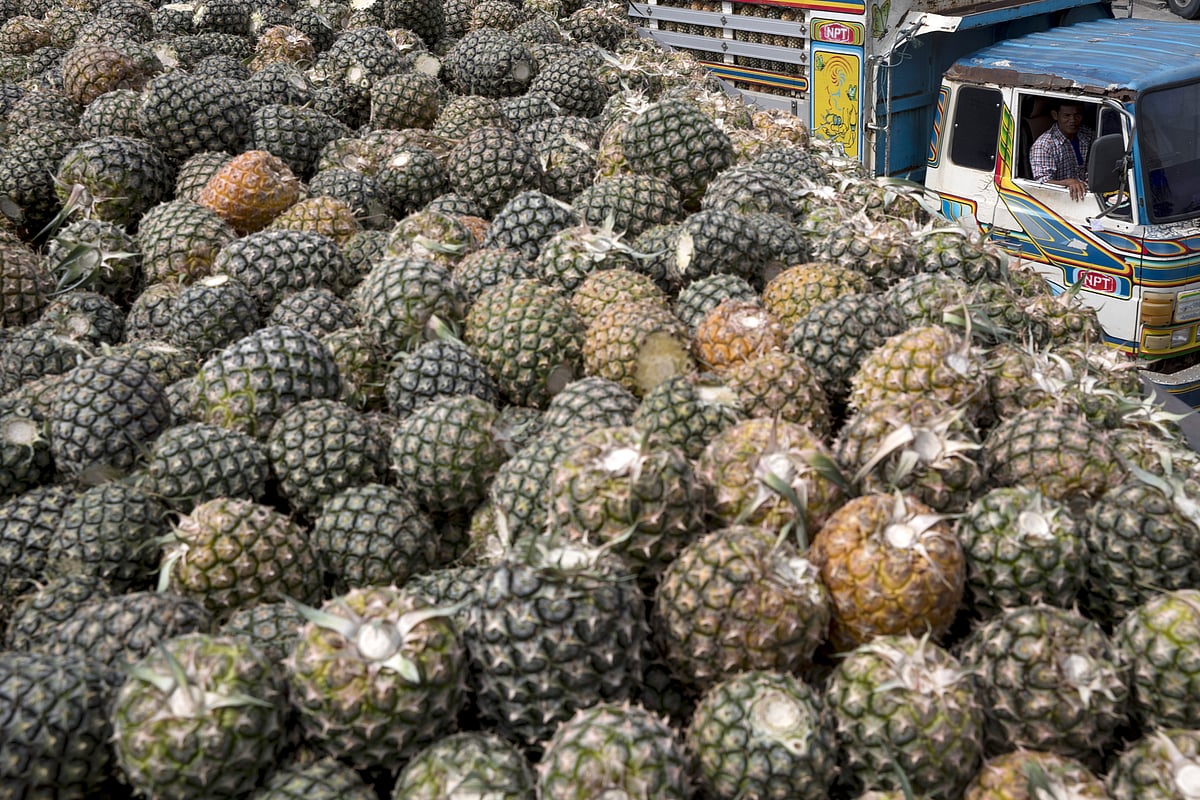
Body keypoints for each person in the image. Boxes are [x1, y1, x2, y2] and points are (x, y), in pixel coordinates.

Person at [1029, 99, 1095, 201]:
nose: (1073, 120)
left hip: (1089, 192)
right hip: (1062, 198)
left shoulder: (1087, 134)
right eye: (1067, 116)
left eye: (1077, 115)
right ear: (1055, 115)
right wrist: (1068, 182)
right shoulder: (1044, 145)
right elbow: (1042, 184)